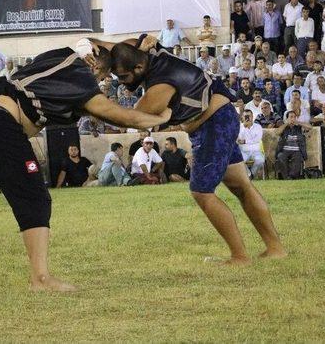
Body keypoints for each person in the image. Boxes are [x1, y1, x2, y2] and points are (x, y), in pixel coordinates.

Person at [0, 43, 172, 293]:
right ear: (93, 65)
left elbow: (92, 44)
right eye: (103, 74)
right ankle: (41, 279)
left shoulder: (58, 54)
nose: (102, 82)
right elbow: (119, 114)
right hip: (1, 126)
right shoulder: (82, 79)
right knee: (35, 198)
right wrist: (159, 118)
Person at [108, 39, 286, 265]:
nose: (121, 83)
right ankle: (275, 248)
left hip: (212, 124)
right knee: (241, 185)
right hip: (222, 117)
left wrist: (89, 104)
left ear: (139, 68)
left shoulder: (160, 86)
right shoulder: (158, 54)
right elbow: (122, 44)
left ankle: (240, 257)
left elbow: (131, 117)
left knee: (202, 192)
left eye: (123, 77)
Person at [275, 111, 308, 180]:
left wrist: (298, 122)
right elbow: (277, 132)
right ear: (287, 119)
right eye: (291, 117)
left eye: (294, 117)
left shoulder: (299, 127)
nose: (293, 119)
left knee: (298, 157)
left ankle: (292, 176)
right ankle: (287, 177)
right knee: (280, 156)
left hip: (297, 150)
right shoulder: (284, 127)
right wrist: (286, 124)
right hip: (284, 150)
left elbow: (310, 127)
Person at [238, 110, 264, 179]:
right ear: (242, 117)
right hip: (243, 151)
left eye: (249, 116)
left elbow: (257, 139)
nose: (248, 118)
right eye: (246, 116)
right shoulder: (239, 127)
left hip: (256, 151)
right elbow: (238, 139)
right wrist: (244, 126)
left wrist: (245, 141)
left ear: (252, 117)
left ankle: (251, 175)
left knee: (260, 160)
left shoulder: (258, 127)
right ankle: (249, 175)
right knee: (239, 161)